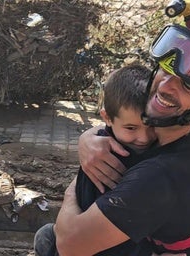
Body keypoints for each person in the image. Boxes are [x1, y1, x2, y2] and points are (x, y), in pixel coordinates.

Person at [55, 11, 190, 256]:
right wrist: (88, 138)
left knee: (51, 238)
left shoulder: (162, 177)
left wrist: (72, 189)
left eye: (186, 84)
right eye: (167, 69)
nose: (165, 87)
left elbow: (69, 245)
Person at [34, 64, 161, 256]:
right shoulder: (105, 157)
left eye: (151, 125)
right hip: (96, 242)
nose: (143, 138)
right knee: (47, 236)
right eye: (131, 128)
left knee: (46, 236)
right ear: (107, 118)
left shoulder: (99, 144)